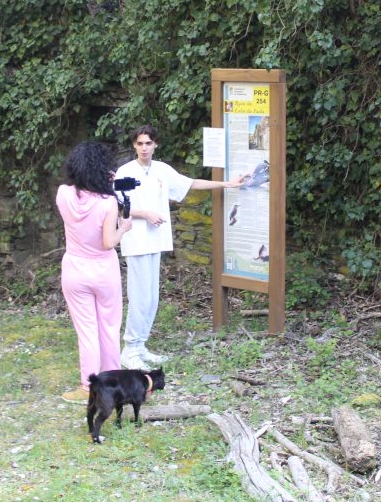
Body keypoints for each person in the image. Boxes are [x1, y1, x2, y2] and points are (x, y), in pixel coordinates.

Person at [115, 125, 247, 369]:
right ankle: (129, 349)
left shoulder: (162, 169)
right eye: (140, 143)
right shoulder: (125, 172)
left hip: (156, 239)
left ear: (155, 144)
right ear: (134, 145)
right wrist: (146, 214)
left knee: (152, 297)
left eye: (148, 143)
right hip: (136, 240)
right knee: (139, 296)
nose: (144, 148)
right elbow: (119, 205)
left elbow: (191, 183)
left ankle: (140, 345)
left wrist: (226, 184)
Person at [56, 141, 133, 403]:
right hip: (104, 271)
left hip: (75, 269)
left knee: (86, 331)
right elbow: (109, 242)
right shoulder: (108, 202)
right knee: (109, 328)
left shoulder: (63, 194)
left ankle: (87, 386)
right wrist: (124, 227)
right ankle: (113, 383)